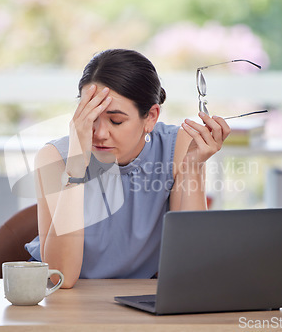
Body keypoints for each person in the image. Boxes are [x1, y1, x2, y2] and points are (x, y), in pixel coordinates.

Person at [25, 49, 230, 288]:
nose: (100, 134)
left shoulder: (179, 147)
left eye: (116, 121)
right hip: (63, 296)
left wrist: (193, 167)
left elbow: (192, 267)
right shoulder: (54, 157)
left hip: (136, 296)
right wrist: (76, 167)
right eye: (91, 118)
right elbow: (60, 277)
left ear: (151, 117)